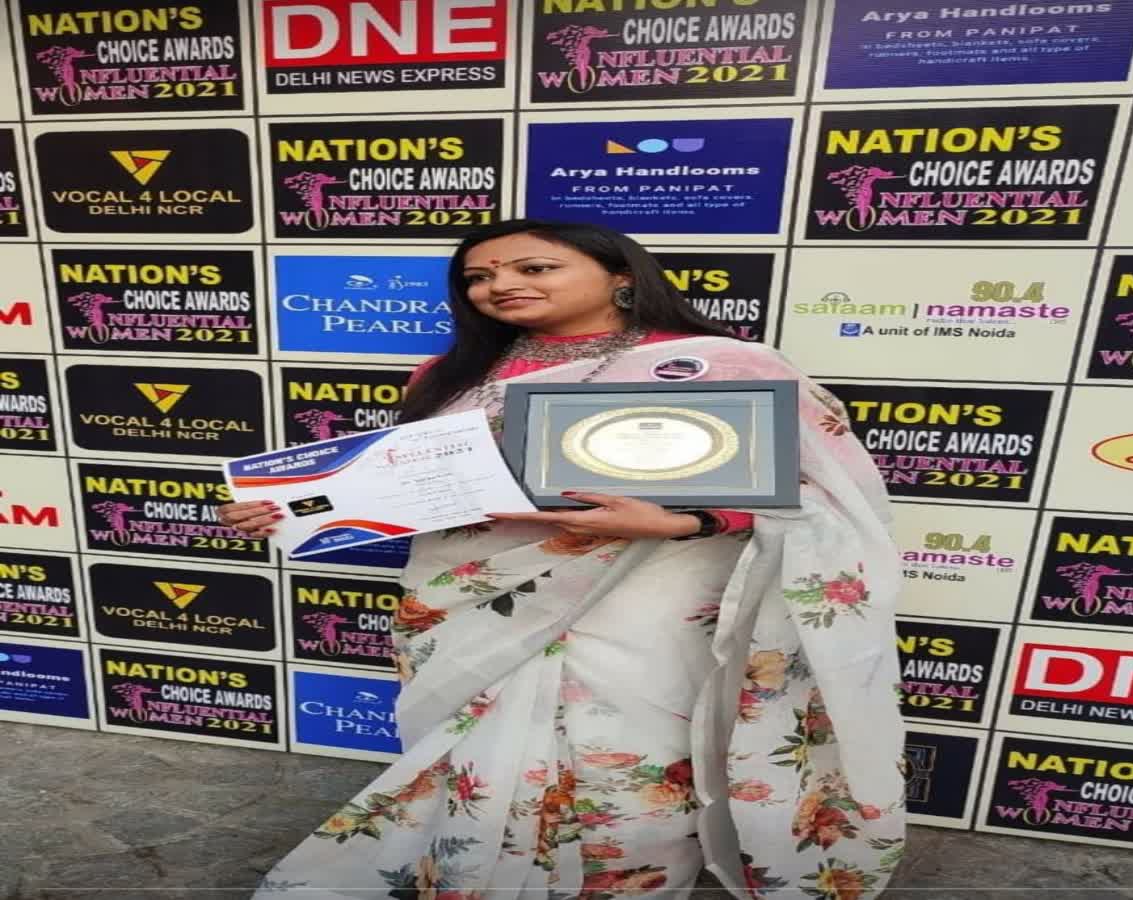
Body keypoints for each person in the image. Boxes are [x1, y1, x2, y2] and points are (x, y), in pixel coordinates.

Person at [220, 219, 905, 899]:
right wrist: (289, 510)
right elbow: (402, 486)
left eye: (534, 268)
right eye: (479, 277)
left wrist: (685, 521)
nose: (500, 285)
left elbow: (825, 493)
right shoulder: (446, 374)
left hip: (651, 596)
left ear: (621, 277)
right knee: (475, 753)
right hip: (476, 594)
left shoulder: (725, 364)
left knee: (633, 760)